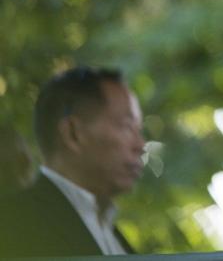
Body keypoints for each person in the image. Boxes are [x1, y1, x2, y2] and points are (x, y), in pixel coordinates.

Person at [0, 67, 145, 257]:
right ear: (72, 133)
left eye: (138, 130)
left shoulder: (109, 231)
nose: (140, 145)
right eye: (126, 127)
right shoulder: (11, 222)